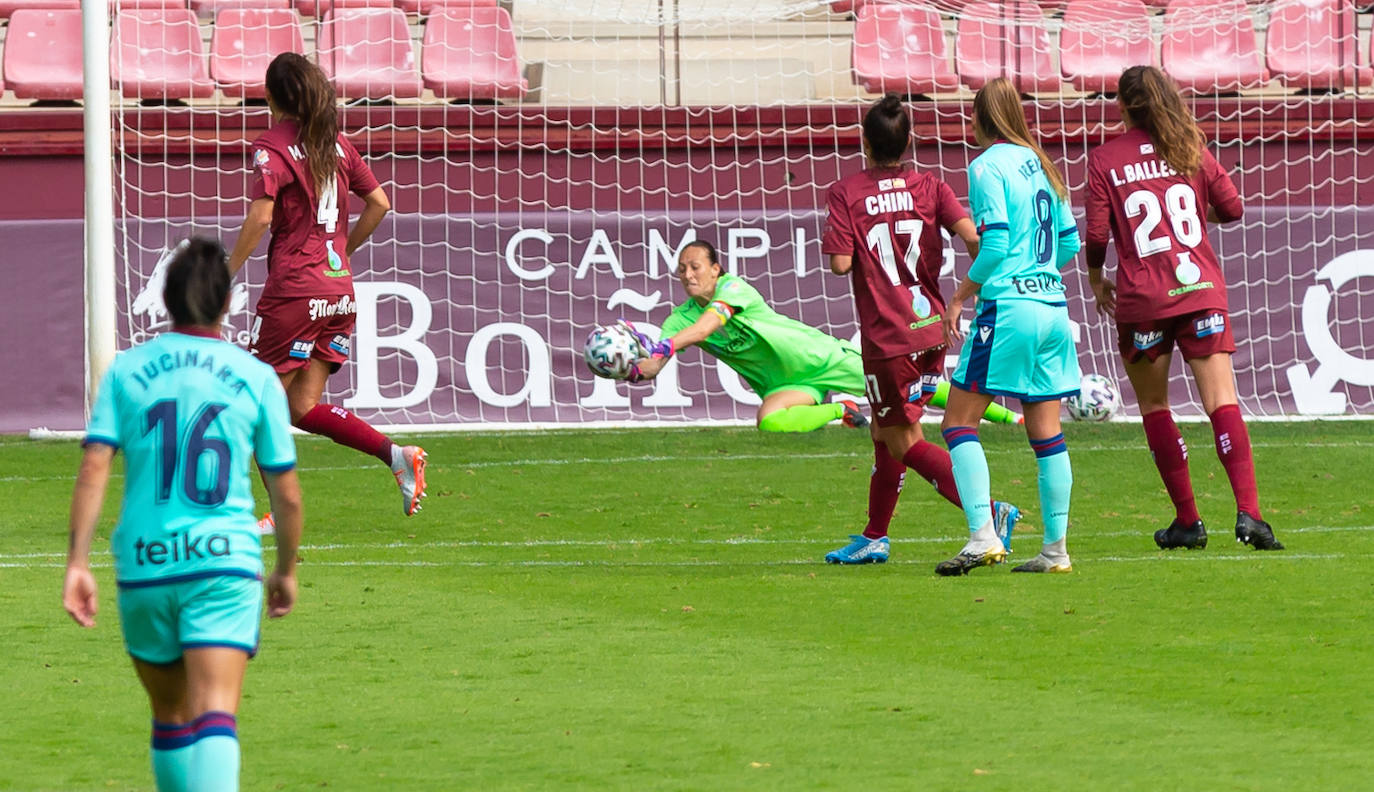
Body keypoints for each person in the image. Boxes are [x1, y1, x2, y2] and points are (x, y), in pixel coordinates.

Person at [63, 238, 303, 792]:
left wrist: (77, 561)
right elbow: (286, 494)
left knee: (170, 717)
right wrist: (286, 570)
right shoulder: (256, 377)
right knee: (216, 711)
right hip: (224, 563)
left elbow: (94, 466)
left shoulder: (125, 371)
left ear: (167, 301)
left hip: (145, 565)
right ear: (227, 304)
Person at [816, 92, 1022, 566]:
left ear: (865, 143)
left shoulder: (847, 192)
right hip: (931, 328)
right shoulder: (931, 186)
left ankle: (990, 513)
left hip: (888, 338)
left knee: (902, 440)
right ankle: (874, 535)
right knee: (886, 433)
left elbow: (840, 264)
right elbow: (975, 238)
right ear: (909, 141)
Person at [1084, 65, 1283, 552]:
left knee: (1155, 406)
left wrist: (1094, 278)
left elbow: (1095, 235)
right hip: (1199, 292)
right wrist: (1193, 212)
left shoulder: (1105, 158)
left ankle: (1189, 521)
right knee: (1222, 401)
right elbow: (1232, 208)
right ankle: (1251, 515)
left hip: (1144, 298)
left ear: (1124, 106)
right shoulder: (1188, 145)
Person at [227, 52, 426, 524]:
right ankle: (396, 456)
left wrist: (225, 272)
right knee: (299, 406)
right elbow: (378, 203)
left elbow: (260, 215)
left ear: (271, 96)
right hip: (338, 292)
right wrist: (343, 251)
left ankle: (272, 514)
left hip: (295, 291)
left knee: (258, 408)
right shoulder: (335, 143)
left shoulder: (272, 145)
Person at [938, 78, 1083, 576]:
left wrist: (959, 296)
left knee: (957, 423)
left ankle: (982, 537)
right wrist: (1037, 270)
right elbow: (1069, 246)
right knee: (1046, 432)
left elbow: (994, 244)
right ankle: (1055, 551)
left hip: (1010, 310)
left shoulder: (985, 166)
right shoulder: (1044, 165)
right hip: (1053, 309)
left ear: (978, 120)